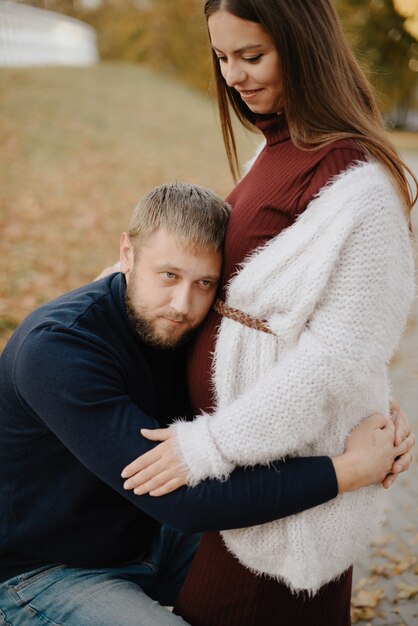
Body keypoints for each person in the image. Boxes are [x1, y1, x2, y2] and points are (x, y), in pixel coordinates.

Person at [120, 2, 417, 624]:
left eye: (252, 56)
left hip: (285, 488)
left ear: (305, 46)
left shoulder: (358, 182)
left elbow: (340, 355)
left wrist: (211, 447)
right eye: (223, 57)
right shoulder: (276, 148)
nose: (234, 76)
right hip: (247, 474)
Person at [1, 182, 412, 626]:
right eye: (168, 276)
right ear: (127, 253)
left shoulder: (190, 324)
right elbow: (186, 502)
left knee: (286, 554)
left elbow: (293, 373)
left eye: (204, 283)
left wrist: (373, 415)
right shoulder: (58, 352)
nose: (183, 304)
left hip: (149, 536)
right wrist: (351, 469)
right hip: (45, 571)